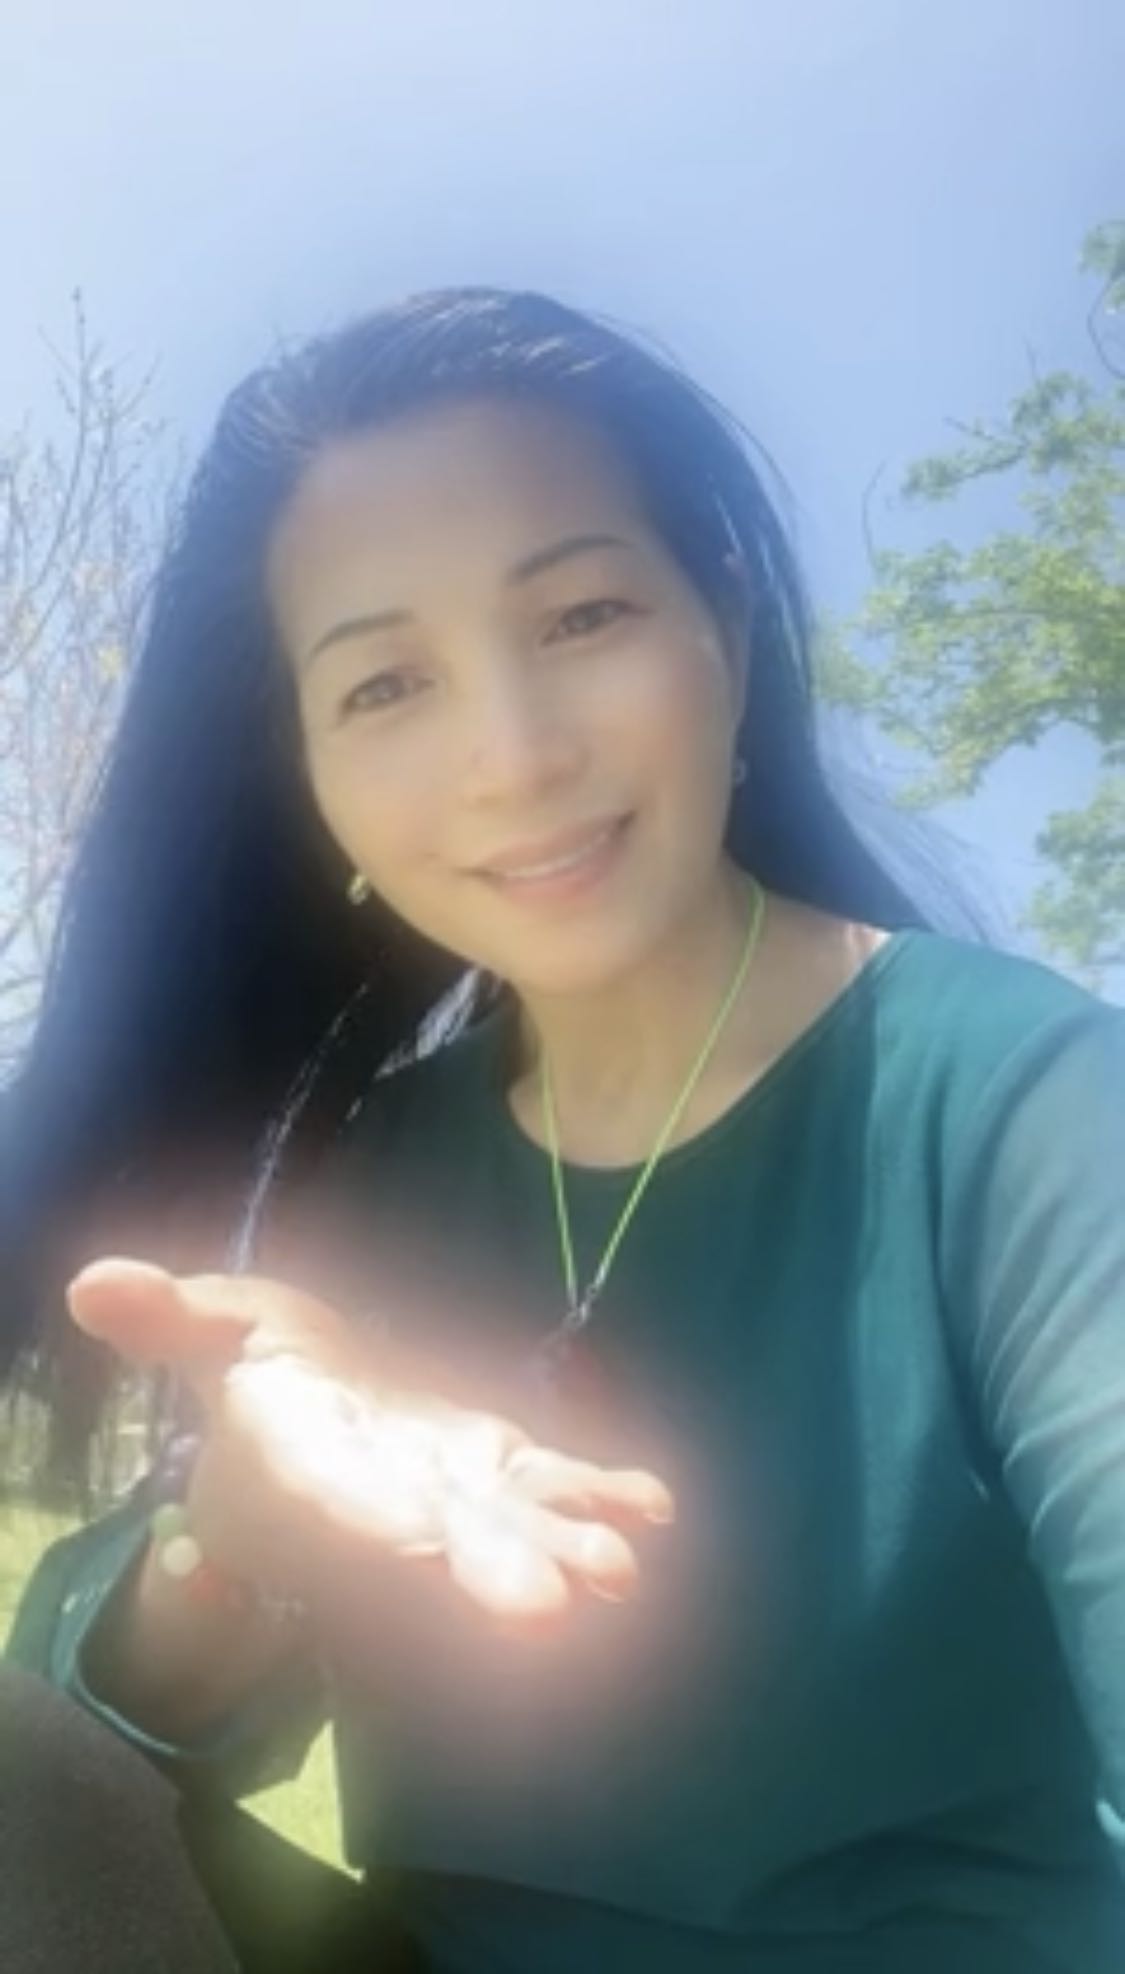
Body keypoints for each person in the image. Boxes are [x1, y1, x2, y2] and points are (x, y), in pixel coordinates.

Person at [3, 285, 1124, 1973]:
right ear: (308, 773)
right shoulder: (381, 1169)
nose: (512, 757)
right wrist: (235, 1533)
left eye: (583, 612)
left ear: (725, 625)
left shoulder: (1024, 1102)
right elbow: (83, 1779)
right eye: (386, 683)